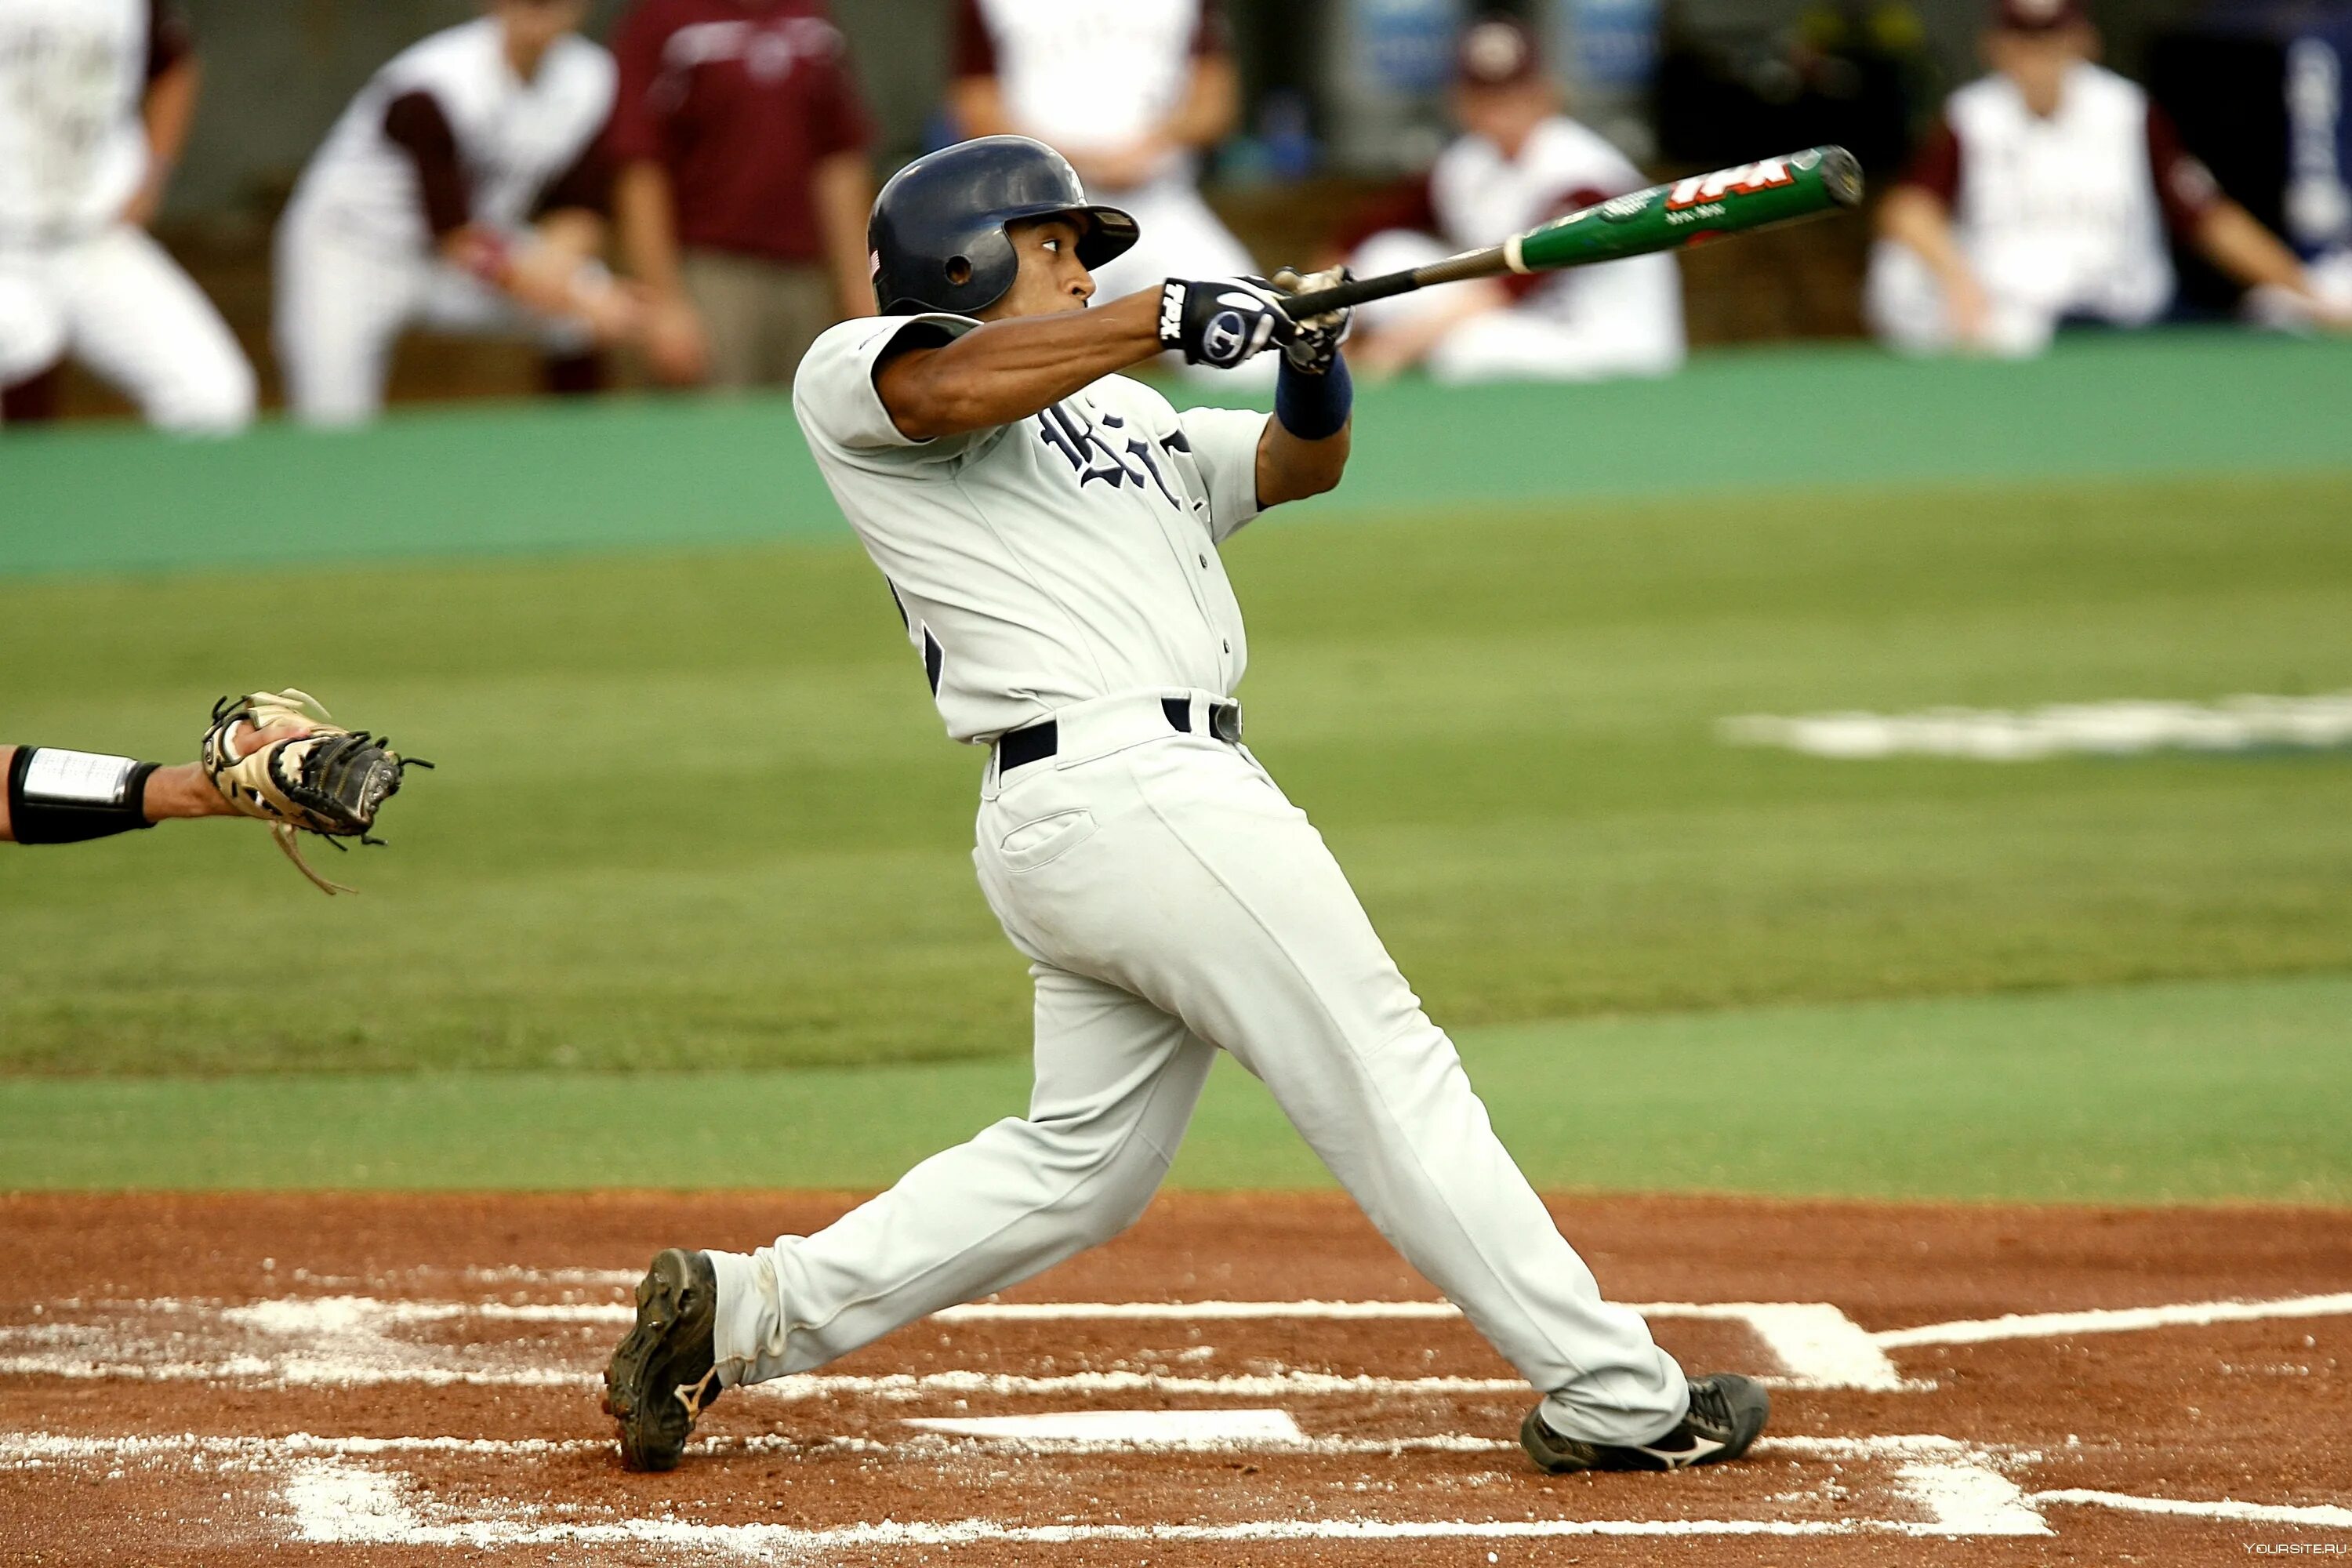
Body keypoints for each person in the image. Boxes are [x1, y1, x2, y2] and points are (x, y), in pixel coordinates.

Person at [601, 134, 1769, 1483]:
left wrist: (1312, 356)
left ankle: (746, 1312)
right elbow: (943, 393)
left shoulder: (1126, 415)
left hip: (1116, 820)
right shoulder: (862, 373)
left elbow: (1292, 466)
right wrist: (1156, 317)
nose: (1084, 269)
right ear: (964, 258)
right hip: (1129, 795)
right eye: (1056, 248)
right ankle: (1616, 1395)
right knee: (1389, 1075)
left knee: (1080, 1167)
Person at [1868, 0, 2352, 357]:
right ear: (1995, 46)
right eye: (2024, 39)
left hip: (2126, 319)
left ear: (2083, 39)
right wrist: (1959, 280)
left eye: (2051, 38)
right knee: (1897, 271)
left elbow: (2208, 218)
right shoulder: (1972, 116)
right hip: (2014, 326)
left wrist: (2307, 294)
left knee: (2278, 314)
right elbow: (1908, 210)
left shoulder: (2126, 112)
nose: (2038, 55)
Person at [274, 0, 638, 426]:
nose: (541, 9)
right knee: (330, 421)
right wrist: (557, 291)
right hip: (349, 250)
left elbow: (582, 203)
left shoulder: (592, 77)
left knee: (591, 299)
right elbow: (456, 239)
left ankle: (581, 451)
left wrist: (568, 276)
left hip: (467, 247)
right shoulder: (434, 80)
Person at [1338, 15, 1685, 383]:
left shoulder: (1583, 171)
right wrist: (1333, 322)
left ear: (1544, 94)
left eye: (1512, 93)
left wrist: (1397, 344)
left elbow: (1520, 280)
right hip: (1540, 323)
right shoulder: (1470, 161)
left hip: (1615, 344)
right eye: (1484, 95)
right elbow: (1363, 231)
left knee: (1467, 349)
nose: (1498, 110)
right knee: (1384, 254)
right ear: (1460, 101)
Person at [947, 0, 1265, 377]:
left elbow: (1215, 103)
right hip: (1037, 215)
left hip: (1160, 205)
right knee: (1005, 367)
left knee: (1251, 352)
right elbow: (975, 110)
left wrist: (1152, 145)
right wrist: (1080, 160)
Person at [0, 0, 255, 433]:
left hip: (95, 235)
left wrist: (153, 175)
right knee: (23, 352)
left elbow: (173, 66)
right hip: (7, 242)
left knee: (212, 399)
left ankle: (163, 502)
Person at [605, 0, 877, 388]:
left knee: (808, 421)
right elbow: (641, 168)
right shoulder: (663, 19)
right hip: (710, 275)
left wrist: (859, 286)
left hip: (806, 276)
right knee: (715, 429)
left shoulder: (812, 21)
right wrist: (665, 302)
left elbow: (838, 160)